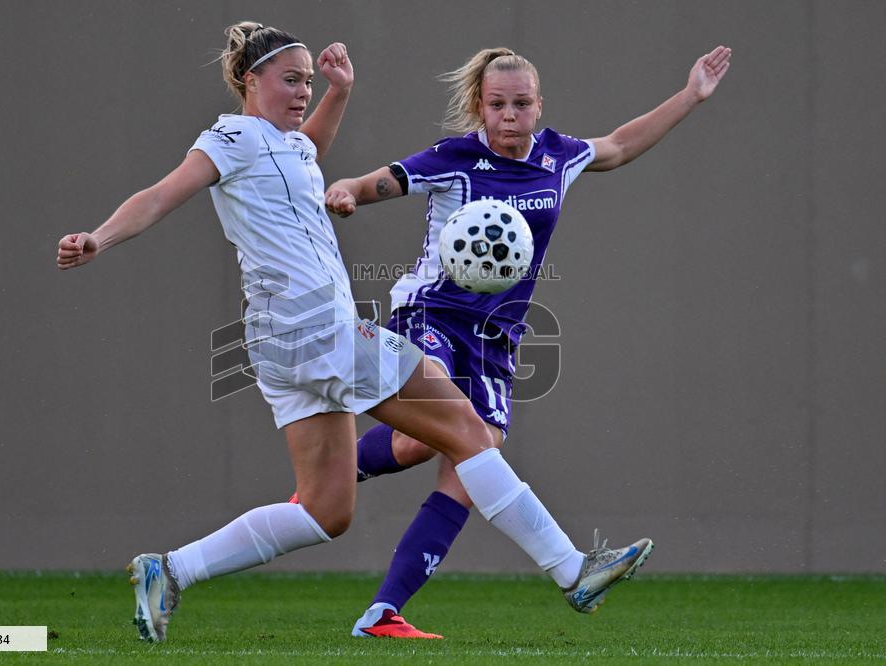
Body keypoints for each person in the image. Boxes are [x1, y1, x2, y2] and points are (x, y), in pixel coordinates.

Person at [56, 22, 653, 643]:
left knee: (326, 510)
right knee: (471, 431)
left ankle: (170, 570)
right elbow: (160, 194)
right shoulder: (231, 137)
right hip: (316, 327)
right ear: (247, 80)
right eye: (290, 81)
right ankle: (571, 570)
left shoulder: (284, 145)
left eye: (306, 82)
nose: (300, 93)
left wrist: (337, 92)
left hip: (279, 344)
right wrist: (99, 237)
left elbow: (304, 155)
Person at [324, 45, 731, 638]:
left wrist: (691, 94)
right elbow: (373, 183)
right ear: (479, 108)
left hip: (495, 339)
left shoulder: (558, 158)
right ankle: (570, 569)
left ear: (539, 106)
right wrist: (346, 193)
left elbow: (617, 146)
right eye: (496, 104)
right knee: (457, 435)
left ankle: (382, 611)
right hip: (431, 314)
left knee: (449, 457)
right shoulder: (454, 158)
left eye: (521, 103)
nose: (509, 115)